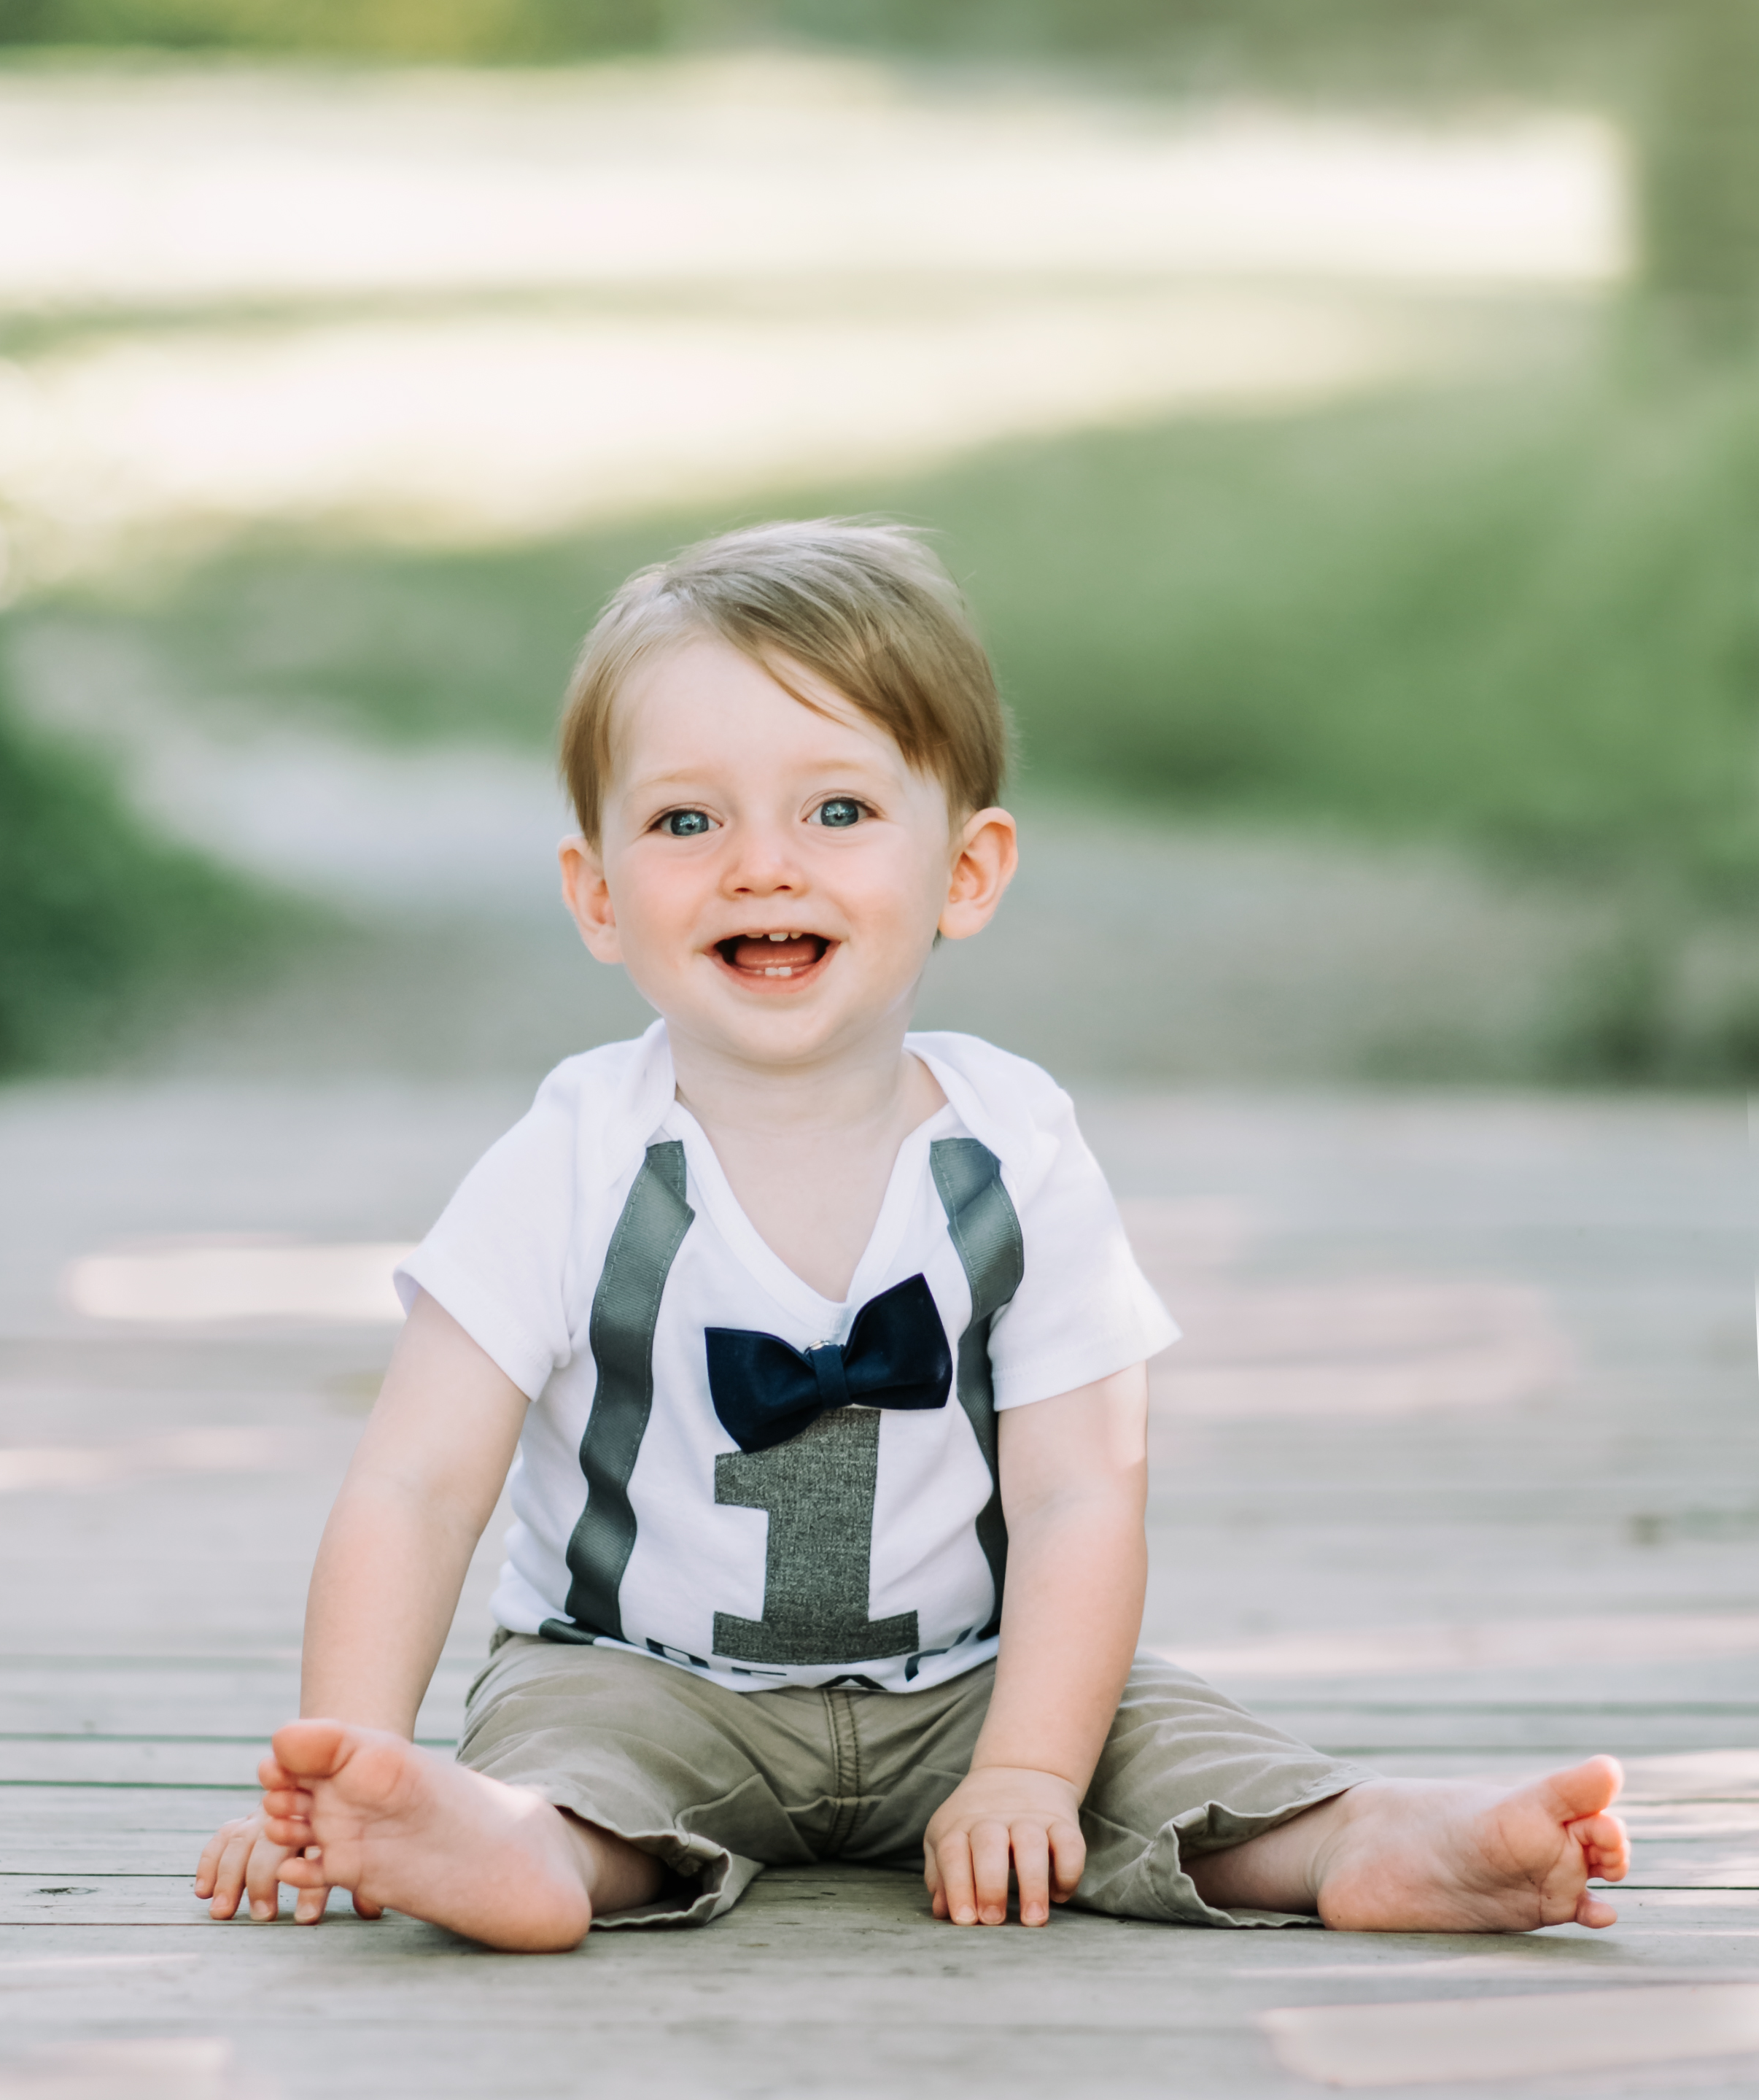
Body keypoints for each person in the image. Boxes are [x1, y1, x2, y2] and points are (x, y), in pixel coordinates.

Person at [195, 519, 1628, 1950]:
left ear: (967, 870)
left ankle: (1368, 1839)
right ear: (597, 893)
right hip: (639, 1674)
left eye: (836, 811)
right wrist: (339, 1766)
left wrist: (1026, 1770)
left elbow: (1081, 1496)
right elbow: (416, 1489)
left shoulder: (1017, 1154)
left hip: (977, 1684)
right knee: (563, 1763)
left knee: (1163, 1739)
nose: (762, 865)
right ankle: (505, 1846)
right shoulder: (568, 1162)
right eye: (687, 822)